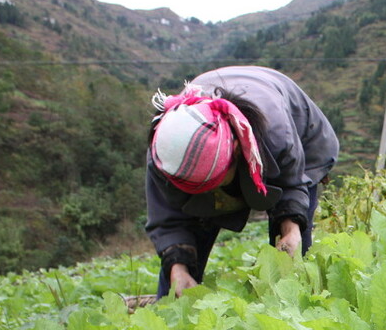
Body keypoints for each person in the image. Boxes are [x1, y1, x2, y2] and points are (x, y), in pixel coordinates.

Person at [145, 66, 339, 298]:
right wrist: (178, 266)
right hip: (220, 140)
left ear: (236, 151)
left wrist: (292, 228)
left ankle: (296, 314)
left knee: (293, 256)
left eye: (213, 183)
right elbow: (168, 219)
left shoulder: (276, 135)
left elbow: (291, 185)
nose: (213, 193)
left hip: (301, 137)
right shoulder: (164, 153)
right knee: (176, 278)